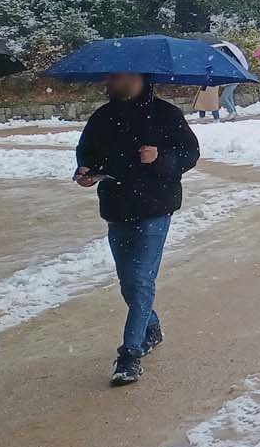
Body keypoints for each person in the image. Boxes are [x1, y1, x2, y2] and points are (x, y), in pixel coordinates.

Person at [74, 72, 201, 386]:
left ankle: (129, 354)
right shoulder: (102, 118)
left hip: (154, 208)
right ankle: (151, 326)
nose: (113, 83)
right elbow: (86, 153)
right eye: (111, 78)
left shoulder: (166, 114)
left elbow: (190, 153)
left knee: (140, 279)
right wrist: (86, 172)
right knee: (128, 284)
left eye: (121, 78)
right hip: (116, 209)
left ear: (140, 80)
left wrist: (161, 159)